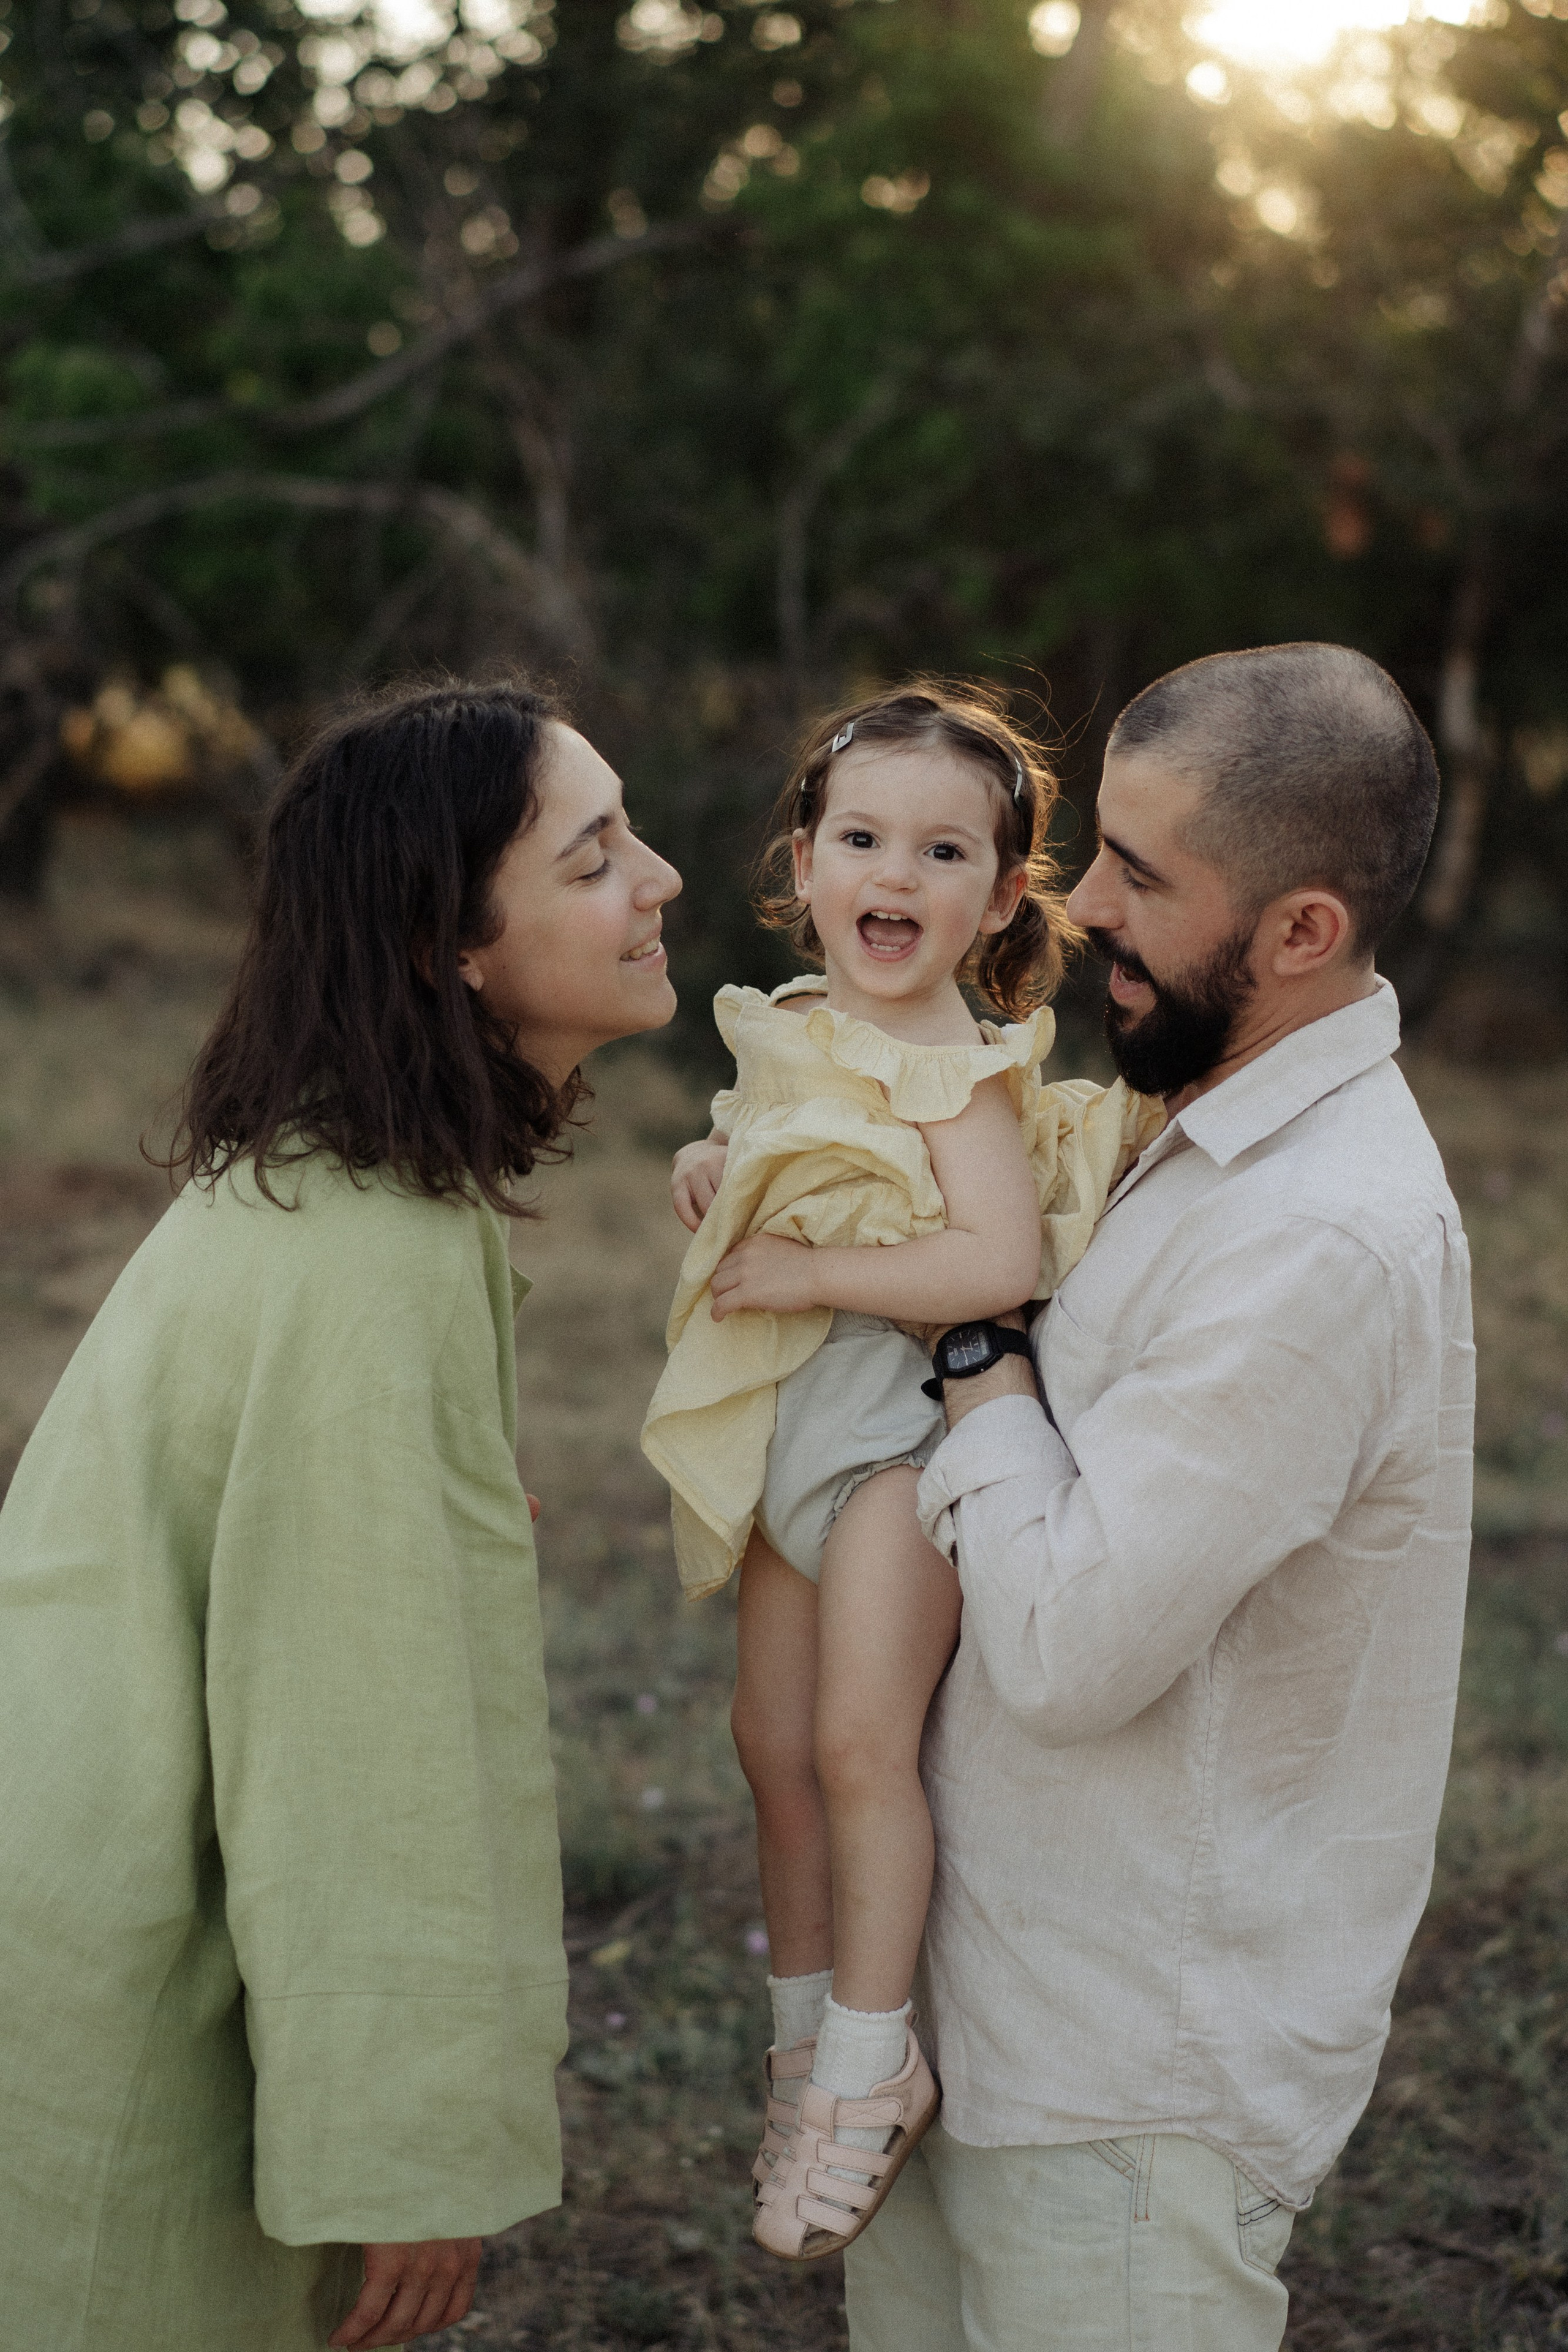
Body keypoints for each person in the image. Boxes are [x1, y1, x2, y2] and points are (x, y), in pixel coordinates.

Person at [0, 679, 682, 2352]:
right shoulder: (366, 1258)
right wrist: (404, 2153)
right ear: (450, 942)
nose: (659, 878)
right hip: (136, 1960)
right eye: (594, 859)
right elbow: (352, 1752)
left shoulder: (343, 1183)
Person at [839, 643, 1476, 2351]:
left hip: (1125, 2101)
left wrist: (978, 1345)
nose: (1080, 898)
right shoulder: (1177, 1110)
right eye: (1099, 845)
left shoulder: (1320, 1239)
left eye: (1143, 873)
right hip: (973, 2022)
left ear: (1302, 934)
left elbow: (1064, 1651)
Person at [640, 685, 1159, 2261]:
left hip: (895, 1440)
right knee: (769, 1744)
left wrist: (802, 1277)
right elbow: (801, 1155)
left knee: (861, 1744)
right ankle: (805, 2050)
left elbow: (992, 1259)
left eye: (943, 851)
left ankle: (875, 2062)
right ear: (802, 863)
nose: (894, 873)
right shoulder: (804, 1020)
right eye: (861, 837)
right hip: (799, 1422)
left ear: (1001, 898)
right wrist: (718, 1168)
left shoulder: (962, 1063)